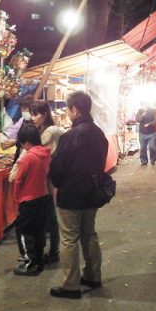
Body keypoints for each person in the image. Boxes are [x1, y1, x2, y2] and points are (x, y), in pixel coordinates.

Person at [49, 91, 109, 299]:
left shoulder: (71, 136)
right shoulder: (99, 134)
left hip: (72, 195)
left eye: (68, 109)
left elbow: (58, 167)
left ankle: (70, 285)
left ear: (75, 110)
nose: (67, 113)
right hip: (92, 193)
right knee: (89, 234)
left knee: (69, 239)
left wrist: (59, 184)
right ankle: (93, 276)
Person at [9, 124, 51, 276]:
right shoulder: (45, 154)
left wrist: (17, 198)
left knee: (25, 231)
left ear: (26, 142)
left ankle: (30, 263)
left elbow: (18, 180)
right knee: (39, 230)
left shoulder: (29, 157)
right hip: (42, 196)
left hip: (28, 199)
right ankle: (38, 259)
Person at [30, 100, 65, 265]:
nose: (33, 118)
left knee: (50, 214)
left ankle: (53, 251)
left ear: (45, 115)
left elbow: (35, 149)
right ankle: (52, 250)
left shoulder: (49, 132)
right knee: (49, 214)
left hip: (47, 176)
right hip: (50, 175)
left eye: (35, 114)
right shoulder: (51, 129)